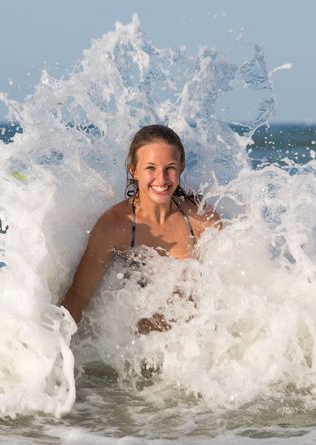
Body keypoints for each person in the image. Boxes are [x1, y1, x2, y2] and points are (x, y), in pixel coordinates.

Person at [60, 125, 220, 333]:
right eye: (150, 168)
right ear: (134, 170)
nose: (161, 179)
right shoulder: (115, 226)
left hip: (189, 349)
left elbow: (227, 290)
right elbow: (79, 296)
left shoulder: (202, 220)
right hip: (135, 349)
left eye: (170, 168)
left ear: (181, 168)